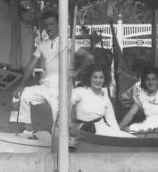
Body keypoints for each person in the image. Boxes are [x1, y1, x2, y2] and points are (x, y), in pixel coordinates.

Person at [15, 10, 62, 138]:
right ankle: (28, 131)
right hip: (46, 85)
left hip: (61, 87)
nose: (48, 28)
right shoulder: (42, 45)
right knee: (25, 95)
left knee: (58, 121)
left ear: (58, 24)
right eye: (46, 25)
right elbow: (31, 66)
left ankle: (57, 143)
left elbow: (86, 58)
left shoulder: (66, 42)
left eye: (51, 24)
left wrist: (77, 72)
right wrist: (21, 85)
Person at [72, 66, 129, 137]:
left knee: (129, 138)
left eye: (101, 77)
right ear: (89, 78)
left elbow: (111, 120)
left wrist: (118, 134)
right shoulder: (79, 92)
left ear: (105, 79)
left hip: (101, 128)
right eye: (95, 77)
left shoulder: (104, 95)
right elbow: (65, 105)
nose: (98, 81)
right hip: (83, 130)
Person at [121, 66, 158, 132]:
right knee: (132, 127)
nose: (150, 82)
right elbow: (130, 114)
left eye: (153, 79)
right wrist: (120, 127)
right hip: (148, 126)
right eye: (148, 79)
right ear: (144, 81)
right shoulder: (141, 96)